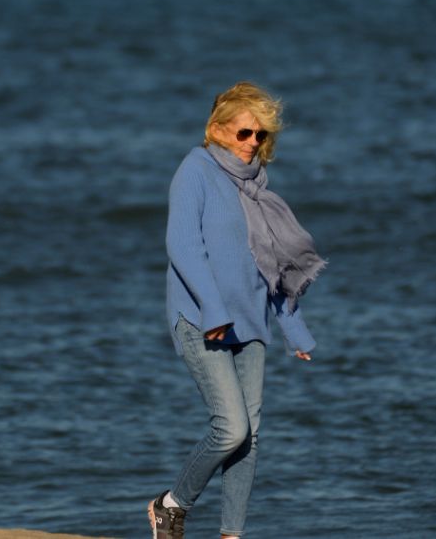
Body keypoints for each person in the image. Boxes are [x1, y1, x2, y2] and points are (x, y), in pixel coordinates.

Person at [150, 82, 326, 539]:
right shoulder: (196, 170)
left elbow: (269, 268)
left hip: (251, 325)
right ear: (217, 130)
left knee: (250, 438)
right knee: (230, 428)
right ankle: (171, 504)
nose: (253, 144)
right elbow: (183, 248)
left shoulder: (258, 188)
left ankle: (232, 534)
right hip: (202, 321)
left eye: (262, 136)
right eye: (245, 133)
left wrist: (294, 327)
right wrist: (213, 312)